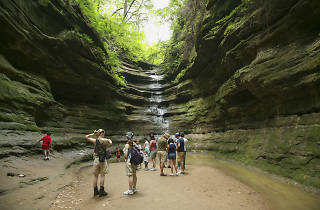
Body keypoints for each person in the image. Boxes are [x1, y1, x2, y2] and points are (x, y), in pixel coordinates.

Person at [86, 129, 112, 197]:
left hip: (96, 159)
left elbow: (86, 137)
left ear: (98, 133)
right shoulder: (105, 140)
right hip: (102, 159)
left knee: (95, 176)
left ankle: (95, 191)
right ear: (102, 134)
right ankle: (101, 191)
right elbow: (110, 143)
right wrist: (109, 139)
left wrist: (93, 134)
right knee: (102, 175)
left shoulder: (95, 140)